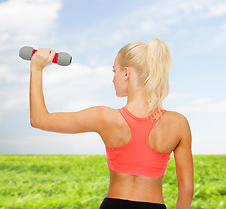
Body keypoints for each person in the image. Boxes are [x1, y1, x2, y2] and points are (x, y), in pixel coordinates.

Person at [29, 38, 194, 209]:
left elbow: (39, 120)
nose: (113, 79)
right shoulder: (178, 123)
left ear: (126, 73)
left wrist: (36, 68)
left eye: (114, 71)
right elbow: (186, 191)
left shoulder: (105, 117)